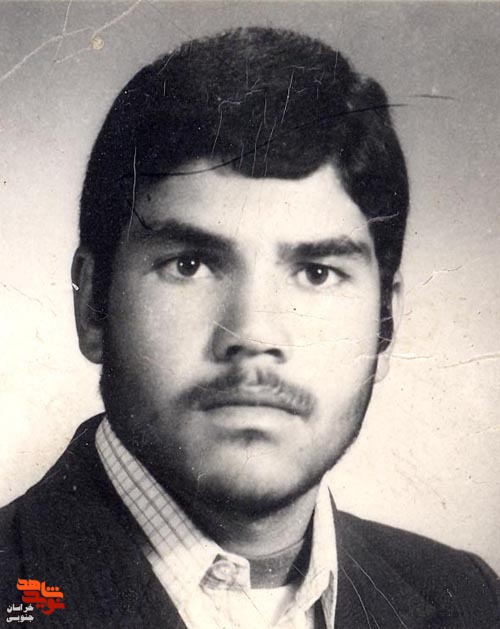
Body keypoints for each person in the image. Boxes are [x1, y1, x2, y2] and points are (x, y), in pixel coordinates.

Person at [1, 26, 498, 628]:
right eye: (189, 265)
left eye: (317, 273)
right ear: (93, 307)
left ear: (384, 323)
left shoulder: (469, 599)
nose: (254, 334)